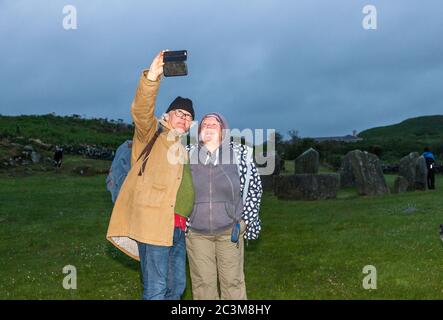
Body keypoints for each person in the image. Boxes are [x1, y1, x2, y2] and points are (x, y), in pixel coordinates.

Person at [106, 50, 196, 300]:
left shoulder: (183, 149)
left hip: (178, 227)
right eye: (179, 113)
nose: (184, 118)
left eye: (189, 117)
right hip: (155, 223)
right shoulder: (151, 134)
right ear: (166, 116)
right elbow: (141, 110)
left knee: (175, 288)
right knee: (156, 288)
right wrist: (152, 78)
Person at [185, 112, 262, 300]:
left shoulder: (240, 155)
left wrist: (245, 222)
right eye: (205, 124)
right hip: (196, 233)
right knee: (203, 285)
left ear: (223, 131)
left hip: (230, 231)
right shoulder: (186, 154)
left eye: (215, 124)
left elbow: (254, 189)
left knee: (232, 283)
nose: (209, 126)